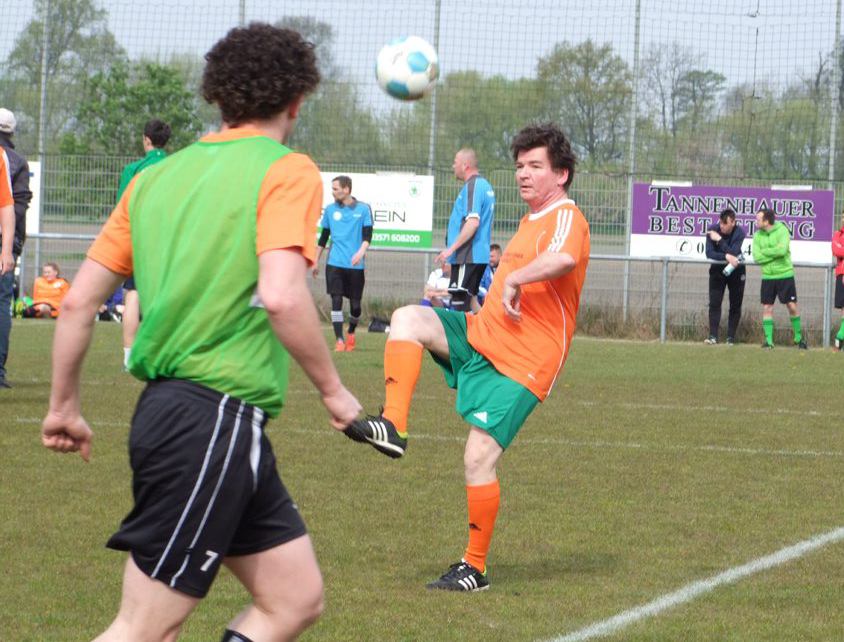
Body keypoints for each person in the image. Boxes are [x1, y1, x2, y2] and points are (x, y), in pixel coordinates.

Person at [41, 23, 362, 641]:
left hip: (189, 417)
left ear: (218, 97)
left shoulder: (154, 178)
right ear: (297, 100)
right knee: (144, 627)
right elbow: (281, 294)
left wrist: (64, 407)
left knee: (294, 598)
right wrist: (333, 392)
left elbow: (79, 302)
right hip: (211, 418)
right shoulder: (288, 171)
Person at [344, 123, 589, 591]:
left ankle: (474, 567)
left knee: (477, 457)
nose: (524, 174)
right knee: (408, 319)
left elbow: (562, 261)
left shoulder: (566, 217)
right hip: (483, 334)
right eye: (519, 166)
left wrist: (514, 281)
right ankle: (393, 424)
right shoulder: (528, 222)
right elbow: (505, 290)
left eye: (536, 166)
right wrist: (489, 298)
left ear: (562, 174)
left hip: (525, 362)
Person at [118, 119, 171, 368]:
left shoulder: (133, 169)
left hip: (139, 240)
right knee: (165, 297)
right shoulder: (178, 167)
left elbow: (121, 208)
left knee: (134, 295)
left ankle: (129, 358)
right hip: (169, 241)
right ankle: (159, 355)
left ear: (146, 139)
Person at [311, 175, 372, 352]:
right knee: (336, 300)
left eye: (335, 189)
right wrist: (315, 260)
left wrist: (360, 252)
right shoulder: (330, 210)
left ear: (346, 189)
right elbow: (323, 238)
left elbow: (368, 235)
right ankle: (339, 340)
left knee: (355, 306)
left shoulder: (363, 209)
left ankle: (351, 331)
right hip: (334, 263)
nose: (333, 192)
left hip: (355, 266)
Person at [436, 148, 495, 314]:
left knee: (460, 303)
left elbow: (472, 223)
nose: (453, 166)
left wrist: (450, 250)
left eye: (455, 162)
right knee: (472, 302)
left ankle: (464, 340)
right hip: (478, 255)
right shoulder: (484, 186)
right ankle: (490, 335)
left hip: (467, 256)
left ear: (465, 165)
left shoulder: (473, 186)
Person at [0, 108, 30, 388]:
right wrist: (11, 246)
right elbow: (16, 205)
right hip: (5, 240)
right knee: (1, 304)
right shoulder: (17, 161)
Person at [752, 207, 807, 349]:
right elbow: (757, 257)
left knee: (792, 306)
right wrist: (772, 251)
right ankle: (769, 342)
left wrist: (766, 252)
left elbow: (782, 251)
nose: (755, 221)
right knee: (767, 307)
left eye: (758, 219)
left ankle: (798, 338)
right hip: (768, 276)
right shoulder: (757, 235)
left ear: (766, 221)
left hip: (785, 274)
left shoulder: (782, 230)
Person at [703, 208, 746, 345]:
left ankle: (730, 338)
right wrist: (725, 256)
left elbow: (734, 252)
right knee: (715, 303)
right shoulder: (712, 230)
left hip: (736, 272)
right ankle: (713, 336)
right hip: (717, 272)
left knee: (735, 304)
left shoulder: (739, 233)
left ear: (733, 222)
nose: (721, 226)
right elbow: (709, 253)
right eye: (720, 223)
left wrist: (720, 240)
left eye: (724, 224)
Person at [831, 208, 844, 350]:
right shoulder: (837, 234)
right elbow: (836, 250)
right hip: (841, 275)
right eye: (843, 217)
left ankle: (839, 338)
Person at [477, 243, 502, 307]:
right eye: (488, 257)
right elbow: (478, 286)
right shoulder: (484, 269)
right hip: (487, 303)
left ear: (500, 256)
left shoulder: (505, 269)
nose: (489, 259)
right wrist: (486, 294)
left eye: (492, 256)